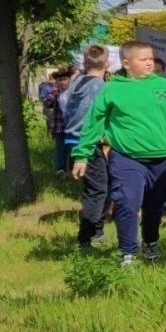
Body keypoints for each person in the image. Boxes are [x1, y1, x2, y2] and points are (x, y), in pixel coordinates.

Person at [71, 41, 166, 266]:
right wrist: (82, 155)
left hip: (162, 159)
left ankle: (150, 243)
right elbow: (94, 123)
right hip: (127, 158)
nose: (150, 62)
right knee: (127, 202)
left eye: (151, 58)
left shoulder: (164, 86)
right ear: (126, 63)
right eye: (143, 59)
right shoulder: (111, 89)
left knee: (154, 207)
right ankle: (128, 252)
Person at [62, 46, 111, 250]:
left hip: (71, 140)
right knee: (97, 190)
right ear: (107, 64)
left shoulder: (76, 83)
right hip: (88, 143)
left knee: (100, 188)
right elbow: (96, 117)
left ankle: (97, 230)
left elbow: (64, 106)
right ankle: (87, 237)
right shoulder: (99, 86)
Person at [45, 66, 73, 174]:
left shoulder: (74, 93)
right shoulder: (56, 93)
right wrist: (54, 92)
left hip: (72, 128)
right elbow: (47, 104)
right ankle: (60, 171)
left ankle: (72, 171)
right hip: (60, 128)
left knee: (72, 150)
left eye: (65, 79)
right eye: (60, 80)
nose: (62, 82)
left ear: (70, 80)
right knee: (60, 150)